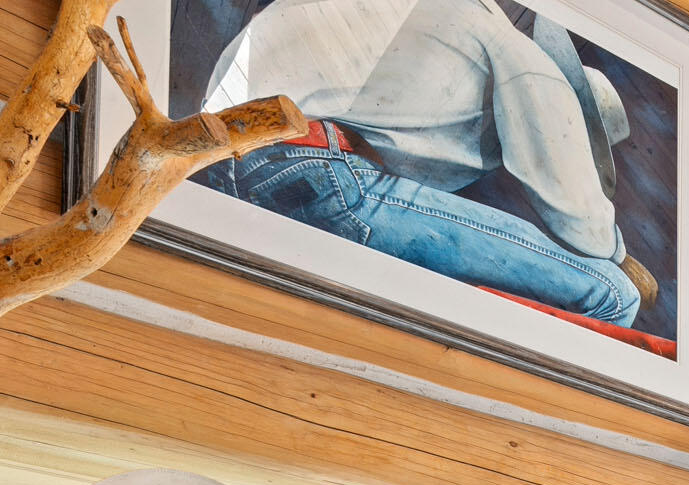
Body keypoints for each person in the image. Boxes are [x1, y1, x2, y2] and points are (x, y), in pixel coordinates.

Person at [200, 0, 655, 329]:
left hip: (219, 164)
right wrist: (617, 254)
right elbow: (572, 201)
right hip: (312, 165)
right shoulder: (535, 69)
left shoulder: (453, 25)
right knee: (612, 292)